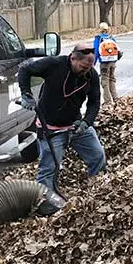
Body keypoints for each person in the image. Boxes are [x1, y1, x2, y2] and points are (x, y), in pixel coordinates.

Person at [17, 42, 106, 192]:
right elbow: (24, 69)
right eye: (83, 67)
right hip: (50, 128)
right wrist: (26, 94)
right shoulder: (54, 64)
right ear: (73, 59)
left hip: (75, 125)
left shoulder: (91, 76)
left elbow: (94, 103)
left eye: (89, 68)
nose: (86, 71)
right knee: (49, 168)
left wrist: (86, 122)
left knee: (98, 156)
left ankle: (96, 192)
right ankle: (46, 202)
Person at [92, 22, 121, 107]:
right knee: (112, 79)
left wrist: (93, 63)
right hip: (113, 62)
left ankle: (108, 101)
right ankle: (115, 98)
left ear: (100, 29)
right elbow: (117, 49)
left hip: (104, 63)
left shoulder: (98, 38)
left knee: (105, 82)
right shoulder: (111, 38)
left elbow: (96, 52)